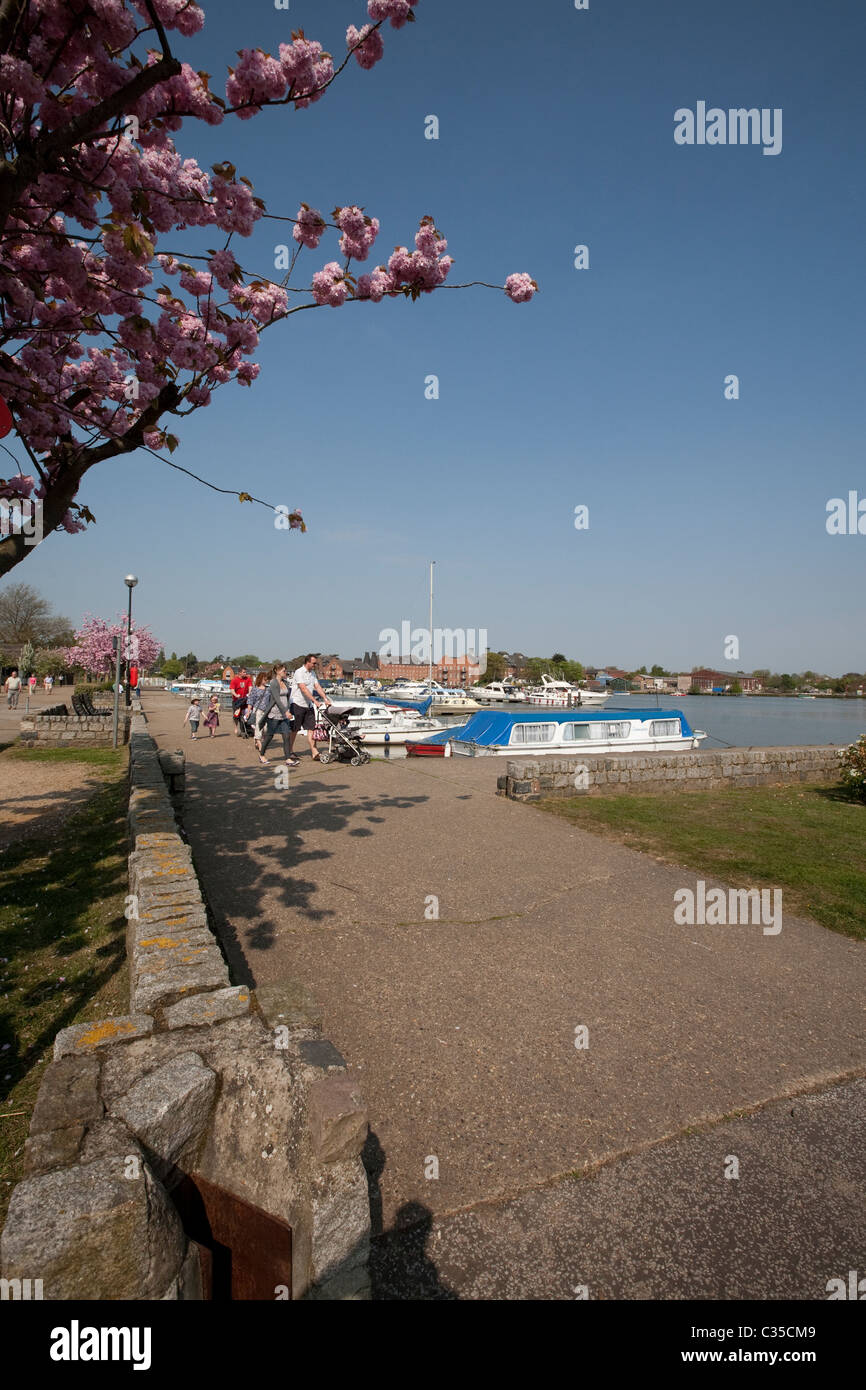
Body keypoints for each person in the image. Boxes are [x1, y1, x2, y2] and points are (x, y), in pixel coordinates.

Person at [289, 654, 332, 762]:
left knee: (311, 728)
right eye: (313, 663)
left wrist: (325, 698)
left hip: (308, 705)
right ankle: (289, 750)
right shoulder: (299, 672)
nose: (315, 665)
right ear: (307, 662)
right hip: (297, 704)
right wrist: (315, 701)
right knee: (295, 729)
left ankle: (314, 752)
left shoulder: (312, 673)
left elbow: (317, 686)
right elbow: (303, 689)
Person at [258, 664, 299, 767]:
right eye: (284, 671)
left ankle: (288, 759)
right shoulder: (273, 683)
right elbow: (277, 699)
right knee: (269, 736)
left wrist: (288, 709)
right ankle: (262, 754)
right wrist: (285, 711)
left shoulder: (285, 683)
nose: (286, 673)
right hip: (274, 714)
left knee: (286, 736)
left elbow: (287, 697)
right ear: (277, 671)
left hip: (284, 715)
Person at [246, 670, 271, 750]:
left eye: (266, 679)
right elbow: (250, 700)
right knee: (258, 726)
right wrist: (248, 711)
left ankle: (257, 739)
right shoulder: (255, 689)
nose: (266, 681)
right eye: (264, 679)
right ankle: (260, 744)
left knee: (266, 728)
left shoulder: (268, 689)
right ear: (260, 679)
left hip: (267, 711)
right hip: (258, 710)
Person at [230, 667, 252, 738]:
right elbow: (232, 690)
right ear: (239, 672)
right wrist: (236, 695)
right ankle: (236, 727)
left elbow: (250, 687)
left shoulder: (248, 679)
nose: (245, 673)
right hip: (237, 701)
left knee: (245, 714)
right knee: (236, 715)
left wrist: (249, 693)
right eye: (244, 672)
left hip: (245, 700)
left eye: (245, 672)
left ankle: (245, 730)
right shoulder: (234, 680)